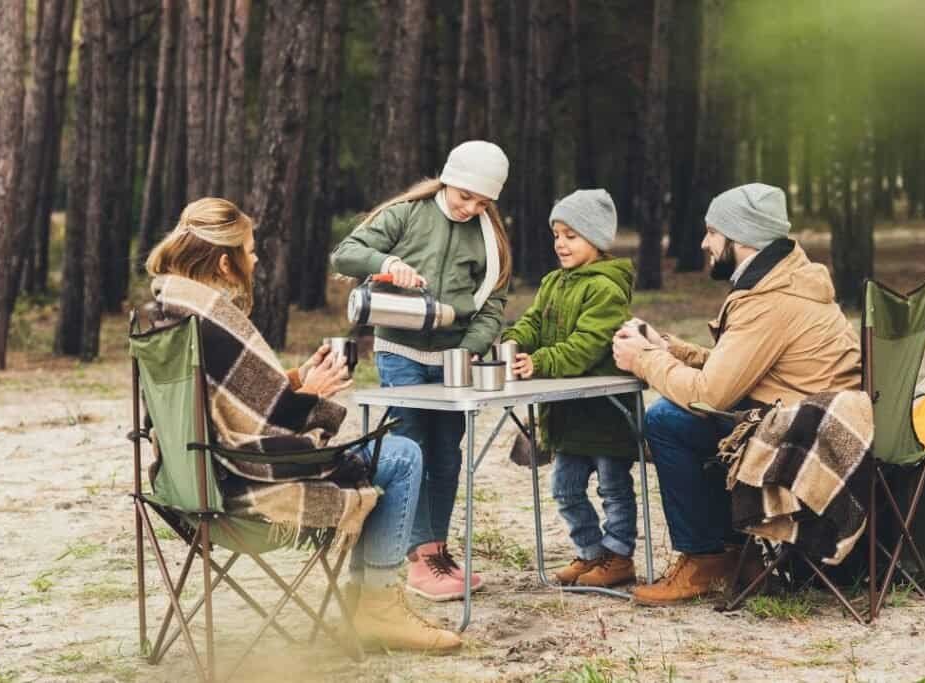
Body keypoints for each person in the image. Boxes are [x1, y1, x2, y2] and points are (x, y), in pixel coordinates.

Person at [145, 197, 460, 652]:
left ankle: (370, 604)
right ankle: (377, 606)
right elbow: (268, 418)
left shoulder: (165, 312)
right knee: (403, 457)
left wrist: (292, 379)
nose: (254, 259)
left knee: (385, 459)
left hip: (187, 484)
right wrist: (310, 394)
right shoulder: (214, 320)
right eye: (249, 251)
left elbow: (217, 399)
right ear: (224, 262)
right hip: (244, 489)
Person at [612, 183, 863, 606]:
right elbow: (746, 367)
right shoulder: (786, 280)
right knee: (692, 419)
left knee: (669, 420)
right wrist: (669, 349)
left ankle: (707, 558)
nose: (704, 242)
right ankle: (734, 556)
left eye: (712, 231)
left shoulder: (769, 300)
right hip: (811, 416)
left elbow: (710, 394)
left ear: (740, 237)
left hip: (801, 439)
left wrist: (643, 361)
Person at [331, 140, 512, 601]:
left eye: (483, 202)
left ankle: (436, 549)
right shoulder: (407, 215)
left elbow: (492, 305)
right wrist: (387, 263)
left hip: (453, 360)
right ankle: (416, 559)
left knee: (447, 454)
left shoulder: (489, 237)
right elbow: (345, 254)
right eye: (464, 196)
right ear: (448, 179)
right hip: (401, 355)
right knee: (410, 451)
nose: (471, 208)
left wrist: (470, 348)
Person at [502, 189, 639, 588]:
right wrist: (515, 342)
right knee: (564, 487)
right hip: (566, 412)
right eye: (556, 234)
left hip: (605, 410)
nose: (560, 243)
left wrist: (540, 362)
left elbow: (585, 346)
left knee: (613, 488)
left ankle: (619, 557)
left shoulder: (607, 288)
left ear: (595, 239)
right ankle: (590, 552)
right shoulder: (552, 283)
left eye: (571, 235)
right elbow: (532, 322)